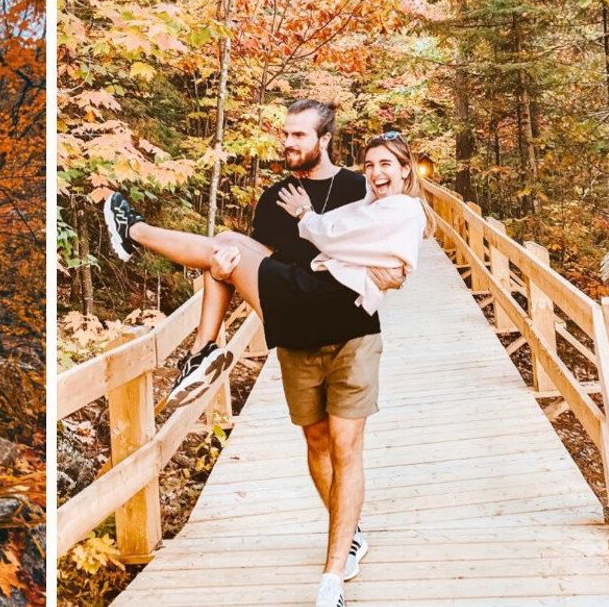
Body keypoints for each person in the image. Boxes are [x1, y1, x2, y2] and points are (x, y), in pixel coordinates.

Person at [102, 101, 429, 607]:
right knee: (224, 248)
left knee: (347, 447)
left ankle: (333, 574)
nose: (288, 143)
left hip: (349, 327)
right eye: (286, 134)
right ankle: (203, 351)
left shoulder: (359, 189)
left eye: (299, 134)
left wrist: (378, 260)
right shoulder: (277, 197)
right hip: (297, 320)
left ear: (324, 139)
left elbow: (383, 245)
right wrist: (227, 269)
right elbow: (269, 261)